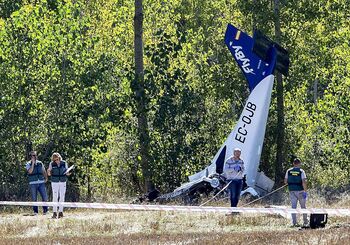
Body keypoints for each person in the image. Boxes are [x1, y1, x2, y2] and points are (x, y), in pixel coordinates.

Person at [284, 158, 308, 227]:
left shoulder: (289, 171)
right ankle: (305, 222)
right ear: (299, 164)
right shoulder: (301, 171)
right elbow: (304, 182)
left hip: (291, 191)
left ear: (293, 164)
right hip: (300, 191)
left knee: (293, 207)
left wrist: (290, 183)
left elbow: (285, 181)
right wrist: (305, 191)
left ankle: (294, 223)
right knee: (303, 207)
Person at [47, 153, 71, 219]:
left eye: (58, 159)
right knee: (55, 196)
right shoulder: (51, 164)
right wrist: (48, 171)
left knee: (62, 196)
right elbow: (49, 174)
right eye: (55, 160)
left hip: (63, 181)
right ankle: (54, 212)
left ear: (60, 158)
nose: (56, 161)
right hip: (55, 181)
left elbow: (67, 172)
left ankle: (61, 212)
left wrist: (68, 172)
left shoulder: (64, 163)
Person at [25, 151, 48, 215]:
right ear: (30, 157)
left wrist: (46, 178)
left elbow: (43, 171)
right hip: (33, 183)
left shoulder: (40, 163)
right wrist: (32, 164)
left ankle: (45, 211)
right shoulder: (28, 164)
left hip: (41, 182)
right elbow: (30, 171)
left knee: (45, 197)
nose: (34, 157)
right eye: (33, 155)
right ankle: (35, 212)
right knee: (34, 198)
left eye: (35, 155)